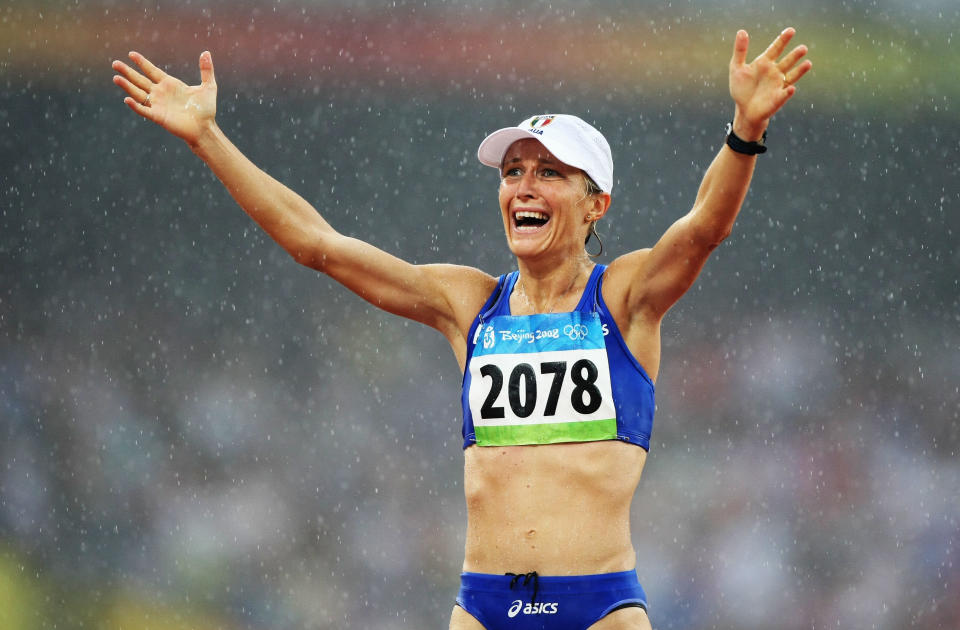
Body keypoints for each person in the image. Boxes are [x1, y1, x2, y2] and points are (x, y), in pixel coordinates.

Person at [112, 26, 810, 630]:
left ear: (596, 203)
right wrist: (208, 138)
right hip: (483, 605)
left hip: (599, 606)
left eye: (548, 173)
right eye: (512, 172)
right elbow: (316, 245)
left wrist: (745, 130)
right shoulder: (468, 304)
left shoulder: (623, 299)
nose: (523, 186)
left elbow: (702, 232)